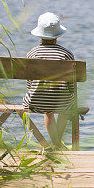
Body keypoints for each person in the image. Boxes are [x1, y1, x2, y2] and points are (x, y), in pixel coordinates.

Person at [23, 12, 75, 147]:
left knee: (48, 109)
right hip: (62, 101)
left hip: (36, 101)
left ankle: (55, 144)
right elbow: (71, 83)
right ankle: (57, 143)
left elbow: (30, 83)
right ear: (57, 35)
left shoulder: (32, 53)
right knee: (65, 107)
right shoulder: (66, 54)